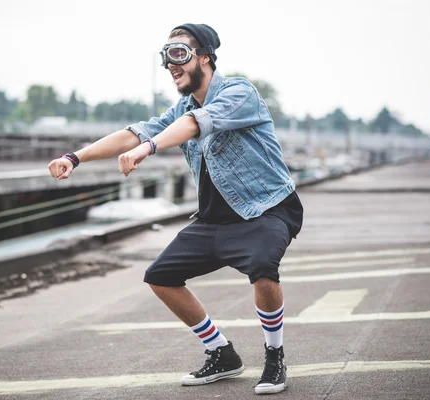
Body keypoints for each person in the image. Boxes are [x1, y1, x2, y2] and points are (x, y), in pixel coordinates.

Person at [48, 23, 303, 395]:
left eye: (179, 54)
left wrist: (147, 149)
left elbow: (192, 125)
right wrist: (76, 156)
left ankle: (275, 356)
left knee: (264, 269)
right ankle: (221, 352)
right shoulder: (182, 105)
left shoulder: (238, 92)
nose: (172, 65)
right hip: (216, 219)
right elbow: (134, 132)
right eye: (166, 58)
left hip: (265, 209)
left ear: (204, 57)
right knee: (161, 276)